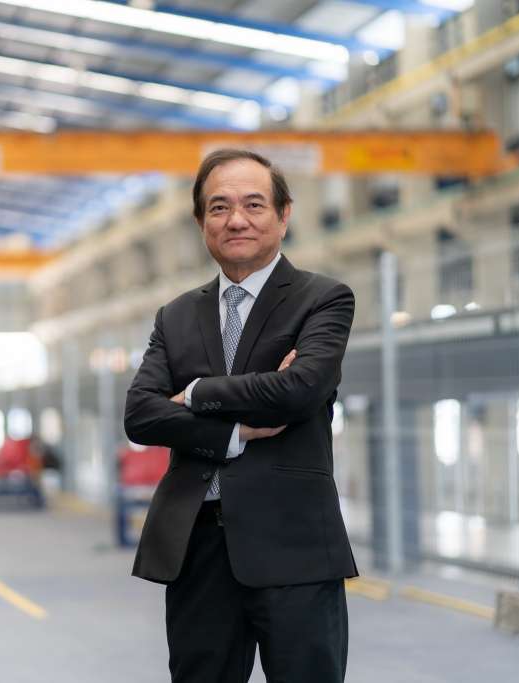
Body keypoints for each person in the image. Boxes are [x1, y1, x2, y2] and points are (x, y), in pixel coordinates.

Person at [124, 149, 357, 682]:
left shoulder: (323, 299)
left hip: (293, 546)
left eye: (254, 204)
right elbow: (141, 415)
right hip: (197, 546)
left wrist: (196, 393)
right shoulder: (176, 315)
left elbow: (299, 391)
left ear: (283, 214)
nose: (236, 220)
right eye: (219, 207)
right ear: (201, 222)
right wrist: (234, 431)